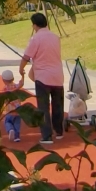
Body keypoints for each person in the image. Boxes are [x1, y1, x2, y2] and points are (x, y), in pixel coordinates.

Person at [19, 12, 64, 145]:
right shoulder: (55, 37)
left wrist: (21, 69)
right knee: (58, 105)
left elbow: (26, 57)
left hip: (43, 77)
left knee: (43, 107)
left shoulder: (35, 39)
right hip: (57, 76)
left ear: (34, 25)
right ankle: (59, 131)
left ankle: (47, 135)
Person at [0, 68, 23, 142]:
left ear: (3, 80)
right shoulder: (16, 86)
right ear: (13, 78)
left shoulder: (5, 89)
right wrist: (23, 76)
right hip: (18, 110)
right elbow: (21, 84)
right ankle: (17, 137)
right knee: (17, 123)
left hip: (9, 111)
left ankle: (10, 130)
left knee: (8, 122)